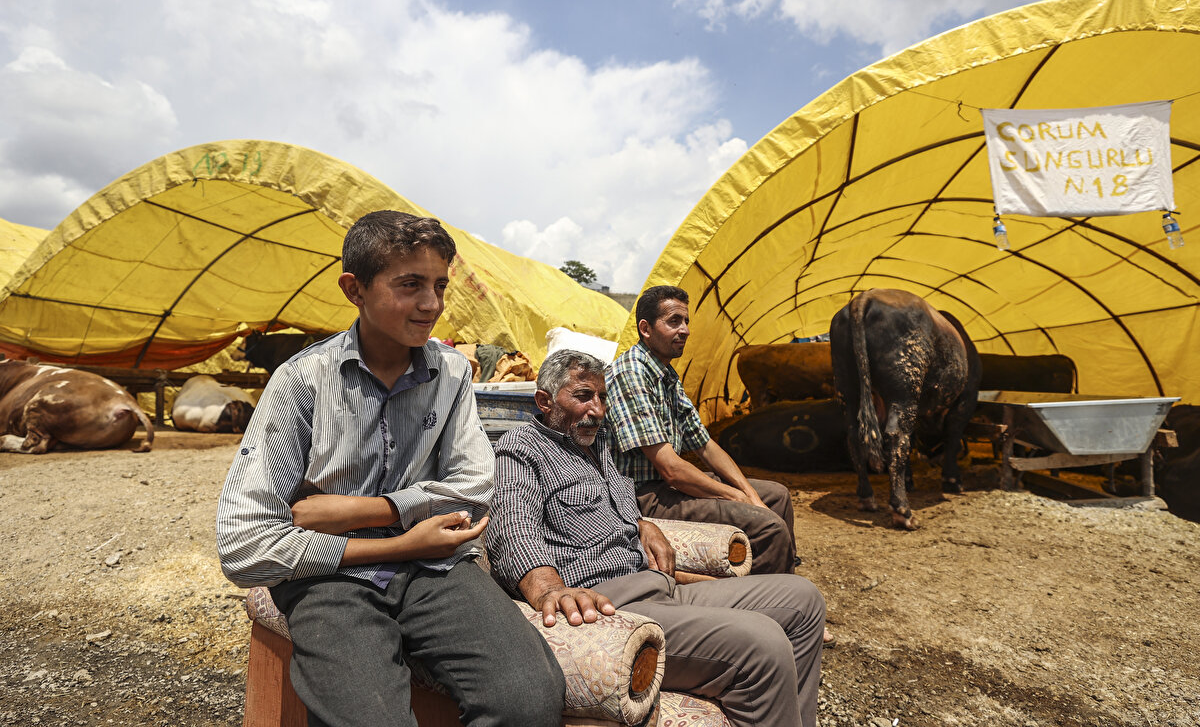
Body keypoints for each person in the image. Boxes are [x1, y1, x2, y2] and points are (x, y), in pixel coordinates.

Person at [216, 211, 564, 727]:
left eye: (440, 285)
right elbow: (243, 545)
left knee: (529, 699)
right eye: (410, 285)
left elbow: (474, 489)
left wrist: (360, 510)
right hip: (329, 578)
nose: (432, 304)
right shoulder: (302, 383)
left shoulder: (448, 373)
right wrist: (403, 542)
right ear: (354, 289)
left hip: (435, 569)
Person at [487, 350, 826, 727]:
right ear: (545, 401)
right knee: (763, 642)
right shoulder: (522, 447)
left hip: (657, 586)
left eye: (601, 397)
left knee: (803, 600)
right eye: (583, 395)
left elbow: (614, 507)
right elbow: (512, 526)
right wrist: (548, 588)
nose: (597, 409)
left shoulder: (598, 445)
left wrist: (642, 522)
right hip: (611, 603)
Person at [605, 285, 799, 575]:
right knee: (768, 525)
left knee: (777, 496)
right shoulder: (631, 374)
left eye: (686, 321)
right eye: (674, 322)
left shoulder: (665, 374)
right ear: (646, 329)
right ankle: (766, 599)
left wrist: (749, 492)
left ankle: (779, 571)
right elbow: (670, 468)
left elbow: (705, 445)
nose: (684, 330)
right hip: (643, 496)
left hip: (667, 486)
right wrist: (736, 497)